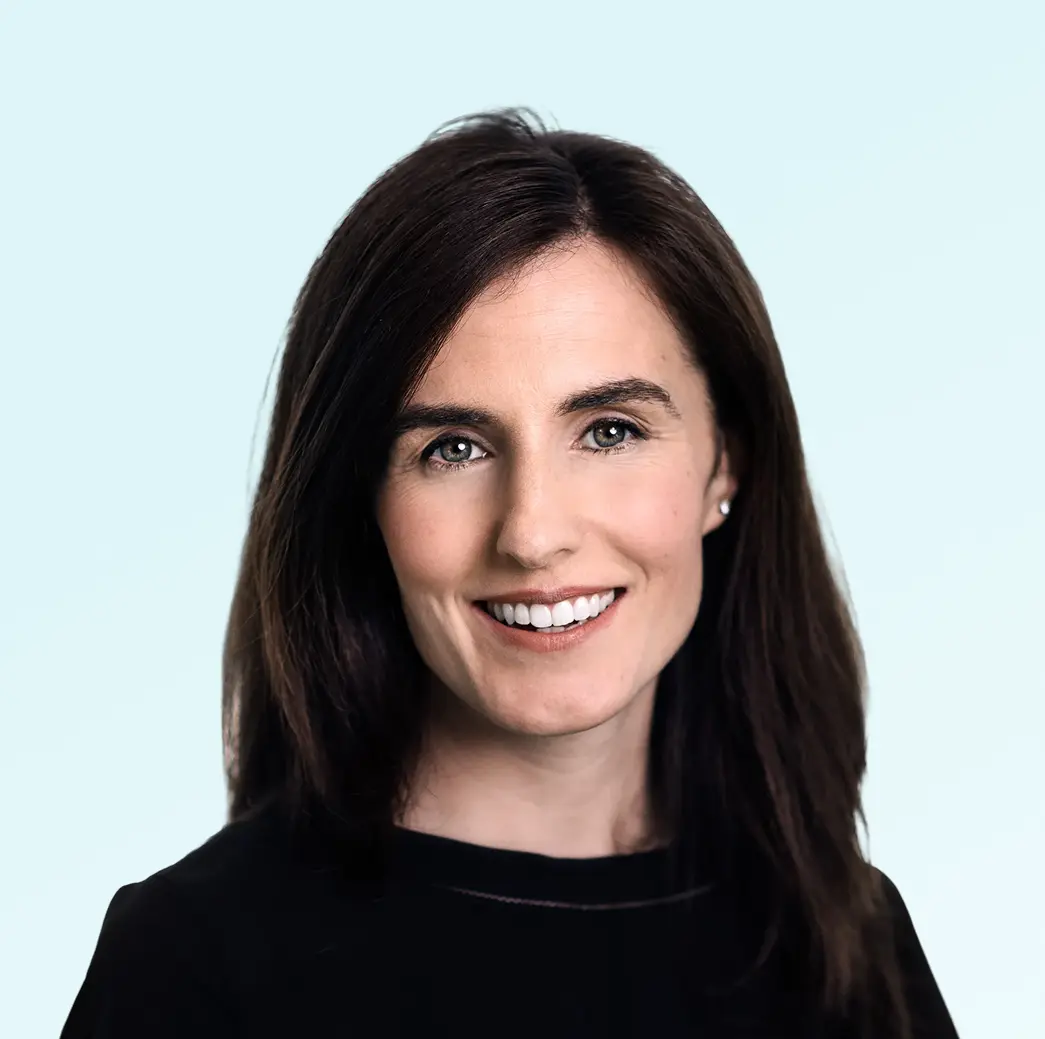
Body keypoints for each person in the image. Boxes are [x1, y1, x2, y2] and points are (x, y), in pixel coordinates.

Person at [60, 108, 959, 1038]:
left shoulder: (848, 945)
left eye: (610, 431)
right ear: (362, 498)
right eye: (452, 447)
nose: (532, 533)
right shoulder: (193, 963)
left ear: (724, 464)